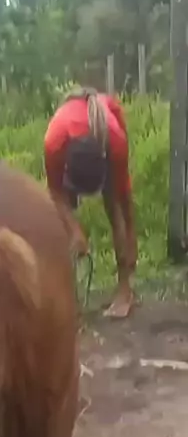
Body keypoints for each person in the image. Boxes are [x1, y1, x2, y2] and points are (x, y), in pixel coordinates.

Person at [44, 86, 137, 319]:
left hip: (106, 139)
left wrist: (131, 235)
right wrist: (73, 228)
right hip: (68, 141)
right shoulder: (54, 142)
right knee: (59, 219)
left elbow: (124, 199)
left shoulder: (115, 140)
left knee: (114, 206)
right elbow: (55, 193)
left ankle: (125, 292)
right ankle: (65, 293)